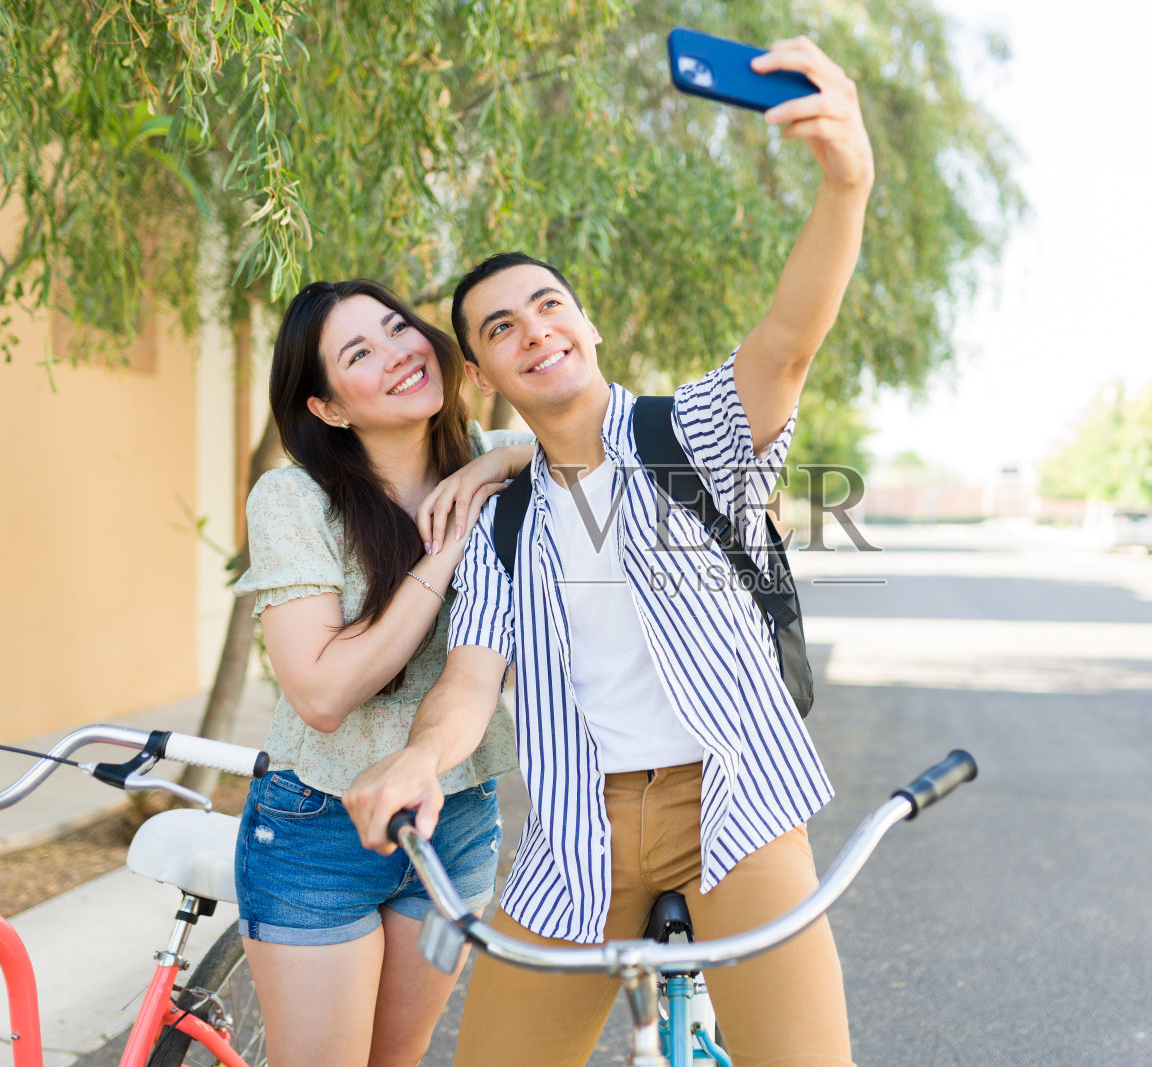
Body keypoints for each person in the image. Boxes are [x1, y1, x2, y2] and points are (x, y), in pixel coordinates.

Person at [343, 36, 874, 1067]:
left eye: (549, 305)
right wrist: (416, 756)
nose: (533, 330)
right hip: (578, 829)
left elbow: (787, 340)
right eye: (501, 327)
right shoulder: (501, 519)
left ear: (586, 326)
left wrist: (845, 183)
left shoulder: (694, 435)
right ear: (483, 374)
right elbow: (469, 682)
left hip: (738, 798)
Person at [232, 278, 533, 1067]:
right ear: (328, 407)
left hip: (455, 817)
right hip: (319, 825)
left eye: (399, 328)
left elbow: (602, 444)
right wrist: (446, 551)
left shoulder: (496, 464)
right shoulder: (294, 499)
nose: (399, 352)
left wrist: (501, 460)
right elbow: (321, 692)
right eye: (359, 353)